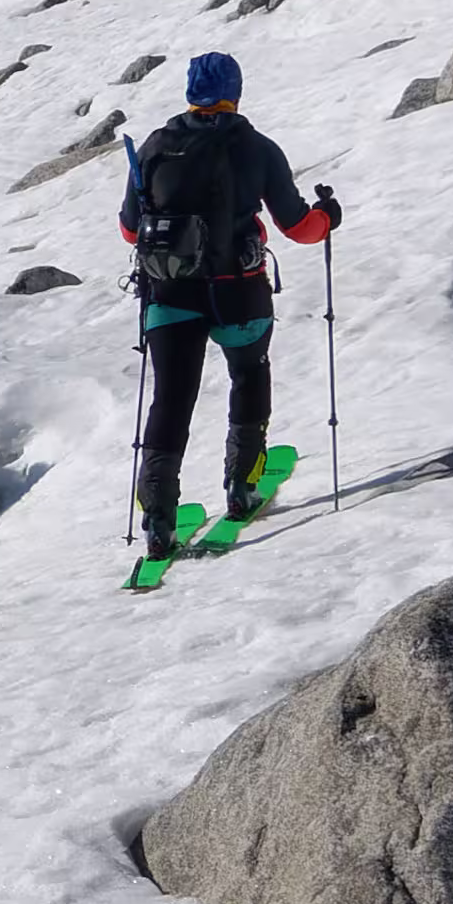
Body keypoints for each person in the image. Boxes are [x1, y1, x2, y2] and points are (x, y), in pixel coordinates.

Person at [118, 50, 337, 559]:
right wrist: (329, 217)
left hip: (169, 295)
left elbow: (132, 228)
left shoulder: (154, 147)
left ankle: (158, 520)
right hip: (239, 292)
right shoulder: (255, 147)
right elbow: (300, 227)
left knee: (170, 401)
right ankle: (242, 488)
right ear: (235, 92)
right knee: (249, 375)